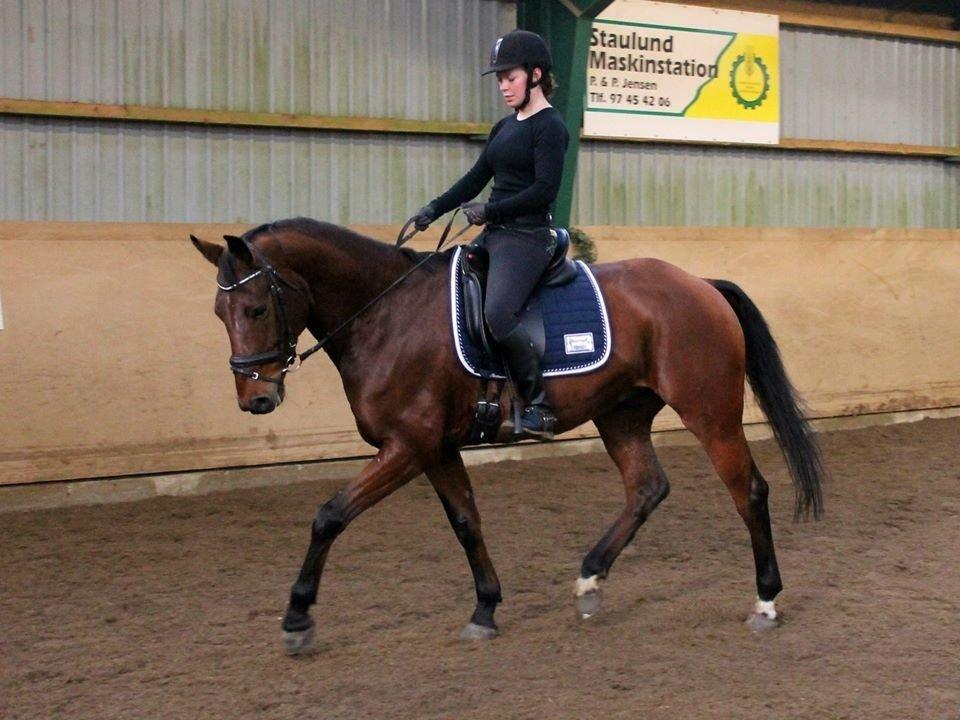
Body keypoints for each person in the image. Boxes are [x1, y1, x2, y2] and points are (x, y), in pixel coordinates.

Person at [411, 29, 570, 439]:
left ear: (535, 75)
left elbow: (544, 190)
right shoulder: (504, 127)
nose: (502, 85)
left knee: (498, 313)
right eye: (499, 79)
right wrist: (434, 208)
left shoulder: (549, 126)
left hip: (528, 238)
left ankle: (539, 406)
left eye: (509, 77)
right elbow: (475, 178)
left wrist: (491, 209)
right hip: (496, 235)